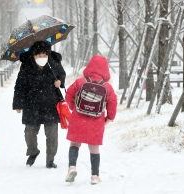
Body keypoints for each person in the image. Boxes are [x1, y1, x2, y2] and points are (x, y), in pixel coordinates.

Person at [64, 55, 117, 184]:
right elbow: (113, 103)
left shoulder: (80, 82)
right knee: (94, 148)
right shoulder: (107, 87)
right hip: (96, 121)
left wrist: (74, 107)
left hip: (78, 118)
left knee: (74, 144)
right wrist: (109, 118)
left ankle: (71, 167)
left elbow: (68, 95)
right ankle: (95, 176)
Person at [13, 41, 66, 168]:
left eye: (44, 55)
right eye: (39, 55)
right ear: (33, 55)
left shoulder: (54, 62)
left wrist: (60, 82)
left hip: (51, 103)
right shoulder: (27, 65)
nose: (42, 57)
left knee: (52, 134)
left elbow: (61, 75)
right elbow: (20, 85)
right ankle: (33, 151)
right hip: (31, 104)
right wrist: (18, 104)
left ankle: (50, 160)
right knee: (29, 133)